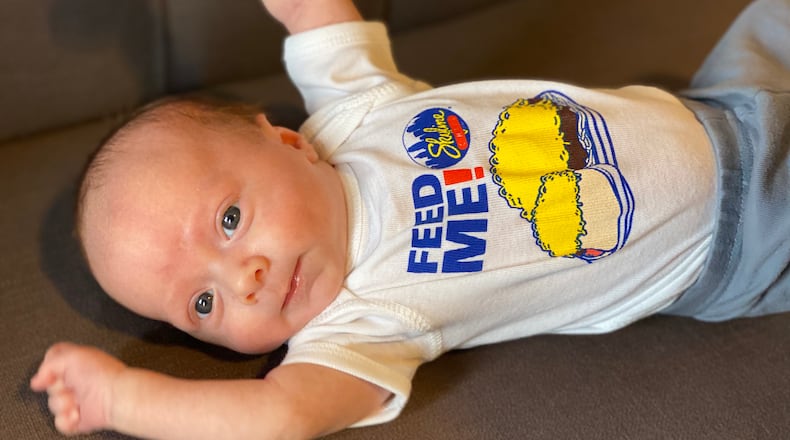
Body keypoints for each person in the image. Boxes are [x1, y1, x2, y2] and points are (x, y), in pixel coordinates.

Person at [30, 0, 790, 438]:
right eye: (204, 303)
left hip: (719, 103)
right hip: (746, 240)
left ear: (292, 144)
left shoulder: (354, 113)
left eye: (229, 220)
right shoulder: (357, 327)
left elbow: (308, 9)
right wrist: (123, 399)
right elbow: (275, 417)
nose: (247, 278)